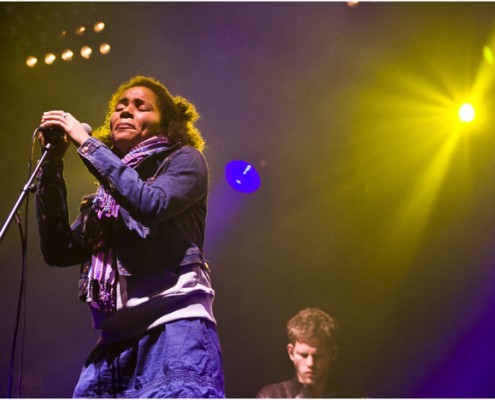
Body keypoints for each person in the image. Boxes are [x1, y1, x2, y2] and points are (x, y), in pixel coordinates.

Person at [35, 76, 225, 398]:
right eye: (120, 107)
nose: (126, 111)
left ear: (166, 123)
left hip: (173, 333)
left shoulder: (184, 161)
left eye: (140, 107)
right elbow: (59, 250)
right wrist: (52, 166)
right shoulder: (107, 197)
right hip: (112, 346)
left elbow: (150, 204)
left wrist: (87, 144)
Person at [256, 308, 364, 398]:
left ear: (333, 353)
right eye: (303, 355)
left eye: (318, 356)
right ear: (291, 352)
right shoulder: (270, 396)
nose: (310, 363)